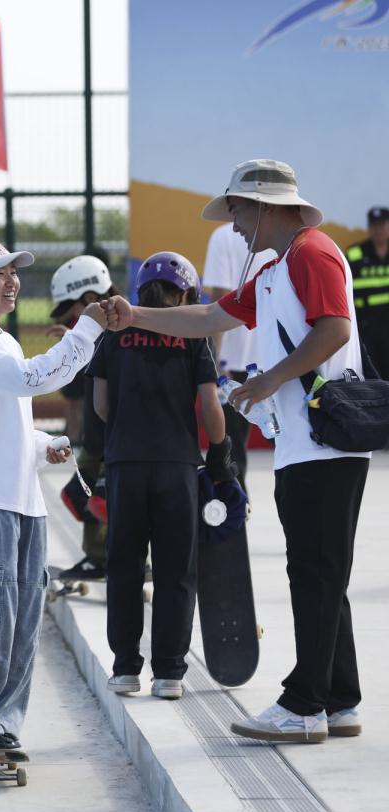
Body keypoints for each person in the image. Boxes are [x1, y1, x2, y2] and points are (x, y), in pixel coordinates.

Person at [102, 159, 369, 742]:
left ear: (267, 206)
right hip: (302, 445)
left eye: (238, 212)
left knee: (314, 575)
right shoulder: (276, 268)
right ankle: (340, 698)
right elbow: (210, 315)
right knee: (322, 574)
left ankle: (304, 705)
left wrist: (270, 380)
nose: (234, 226)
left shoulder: (312, 253)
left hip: (324, 447)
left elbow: (335, 330)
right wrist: (134, 315)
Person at [0, 238, 106, 756]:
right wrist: (89, 327)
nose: (12, 281)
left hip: (21, 502)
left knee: (22, 621)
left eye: (15, 272)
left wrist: (42, 446)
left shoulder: (2, 341)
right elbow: (35, 379)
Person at [88, 251, 235, 700]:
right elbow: (210, 405)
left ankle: (126, 668)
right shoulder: (191, 337)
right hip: (176, 467)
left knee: (126, 567)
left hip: (125, 466)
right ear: (186, 293)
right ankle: (169, 672)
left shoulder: (115, 335)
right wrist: (220, 458)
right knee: (175, 570)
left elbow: (100, 405)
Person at [48, 253, 117, 581]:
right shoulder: (99, 333)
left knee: (103, 500)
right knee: (80, 495)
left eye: (75, 310)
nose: (75, 319)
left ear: (91, 299)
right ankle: (96, 559)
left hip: (112, 438)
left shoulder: (121, 331)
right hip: (95, 437)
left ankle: (112, 560)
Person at [203, 223, 276, 490]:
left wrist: (214, 361)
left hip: (233, 362)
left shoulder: (223, 236)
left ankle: (235, 510)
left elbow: (220, 298)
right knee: (285, 437)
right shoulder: (281, 236)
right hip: (274, 358)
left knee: (231, 445)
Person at [345, 207, 389, 379]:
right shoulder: (355, 254)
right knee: (372, 373)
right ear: (369, 228)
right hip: (366, 325)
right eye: (374, 226)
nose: (378, 230)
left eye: (382, 225)